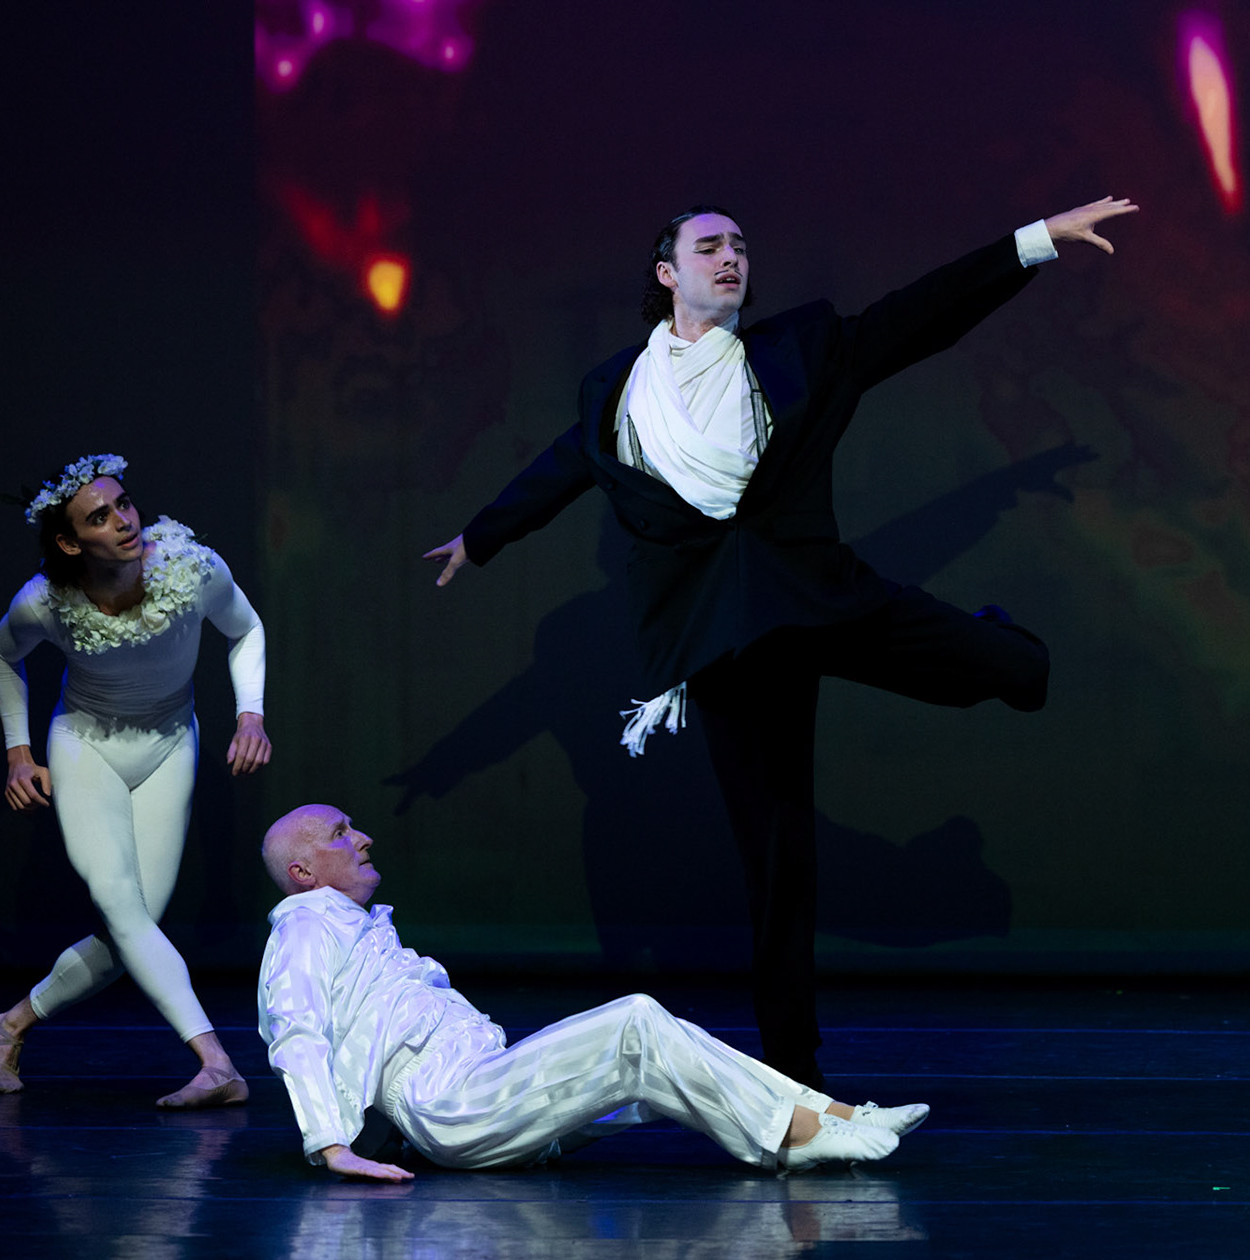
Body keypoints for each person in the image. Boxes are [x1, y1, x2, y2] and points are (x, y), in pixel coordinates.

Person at [423, 198, 1137, 1088]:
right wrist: (481, 536)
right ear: (667, 273)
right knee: (776, 855)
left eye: (740, 246)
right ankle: (793, 1068)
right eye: (709, 246)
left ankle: (1005, 647)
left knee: (1010, 666)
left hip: (816, 595)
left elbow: (915, 319)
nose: (731, 257)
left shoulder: (799, 348)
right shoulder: (619, 391)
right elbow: (564, 465)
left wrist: (1031, 244)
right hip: (725, 636)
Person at [256, 804, 930, 1181]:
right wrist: (331, 1145)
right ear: (303, 871)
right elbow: (296, 1027)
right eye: (341, 833)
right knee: (635, 1021)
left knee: (665, 1053)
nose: (363, 836)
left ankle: (834, 1113)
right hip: (453, 1102)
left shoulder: (350, 924)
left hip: (476, 1089)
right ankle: (792, 1136)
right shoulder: (306, 923)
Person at [0, 453, 272, 1108]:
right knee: (119, 900)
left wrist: (250, 714)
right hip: (87, 745)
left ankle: (12, 1023)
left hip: (169, 744)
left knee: (131, 928)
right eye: (100, 517)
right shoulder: (44, 602)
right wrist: (19, 753)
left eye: (125, 503)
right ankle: (216, 1061)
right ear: (69, 541)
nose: (123, 521)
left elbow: (246, 627)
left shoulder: (192, 569)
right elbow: (1, 654)